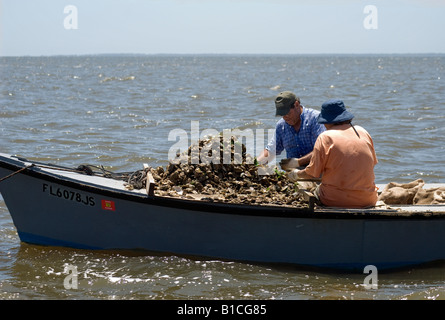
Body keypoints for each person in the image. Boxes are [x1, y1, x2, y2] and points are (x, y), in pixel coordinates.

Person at [287, 99, 378, 208]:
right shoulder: (362, 132)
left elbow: (311, 173)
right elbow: (372, 163)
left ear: (326, 121)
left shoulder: (325, 137)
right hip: (368, 199)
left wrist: (296, 174)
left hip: (335, 199)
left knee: (313, 189)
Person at [257, 91, 326, 169]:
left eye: (287, 113)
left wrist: (298, 162)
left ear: (296, 104)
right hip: (293, 173)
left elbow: (322, 150)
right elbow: (271, 151)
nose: (285, 117)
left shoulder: (315, 119)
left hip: (318, 171)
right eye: (282, 114)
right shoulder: (281, 126)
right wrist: (256, 163)